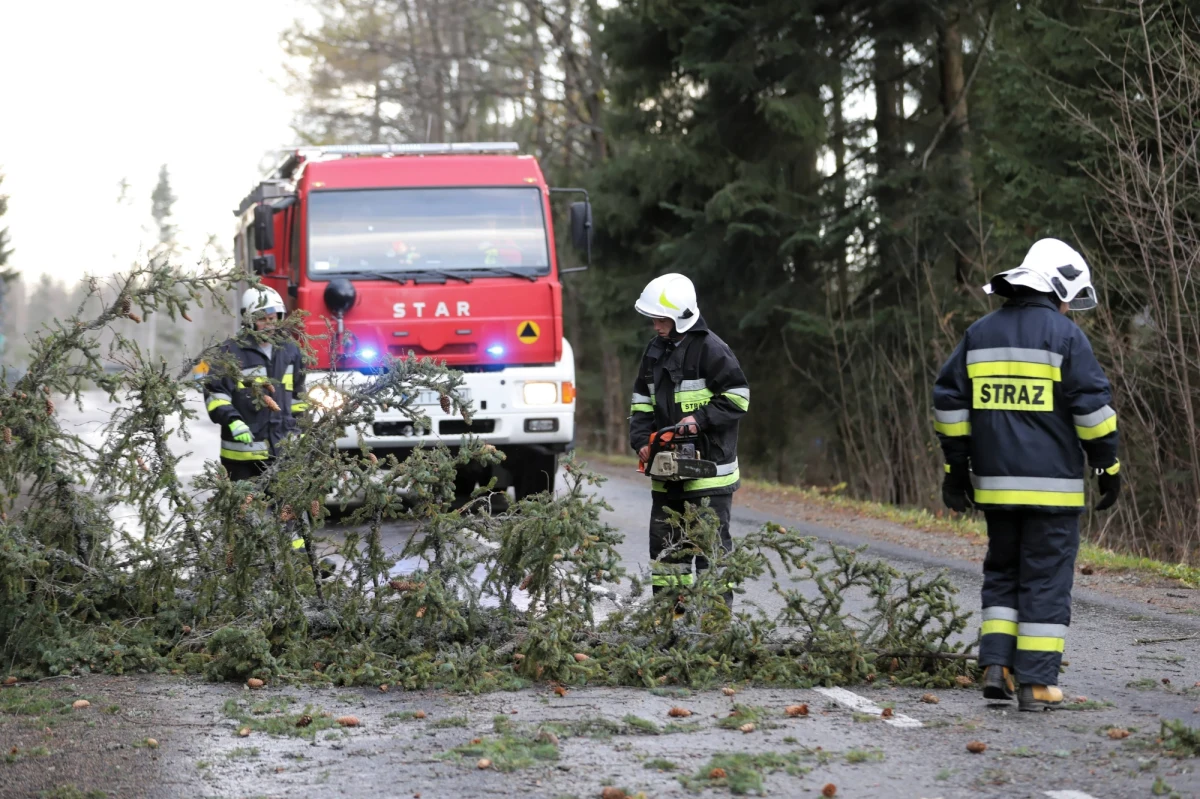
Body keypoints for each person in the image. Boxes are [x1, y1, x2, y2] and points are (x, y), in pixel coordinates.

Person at [933, 238, 1120, 712]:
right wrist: (1107, 464)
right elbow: (1093, 410)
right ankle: (1036, 682)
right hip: (1052, 492)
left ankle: (998, 665)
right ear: (1057, 287)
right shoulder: (1065, 337)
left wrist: (957, 467)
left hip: (995, 486)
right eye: (1068, 298)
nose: (1067, 308)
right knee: (1045, 579)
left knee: (1002, 572)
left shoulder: (979, 333)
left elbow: (948, 402)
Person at [628, 273, 750, 607]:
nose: (655, 326)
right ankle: (671, 625)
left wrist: (698, 421)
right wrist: (640, 439)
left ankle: (714, 630)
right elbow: (641, 401)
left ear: (681, 316)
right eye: (653, 318)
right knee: (668, 556)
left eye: (661, 319)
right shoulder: (654, 352)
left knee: (711, 553)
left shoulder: (712, 349)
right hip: (667, 475)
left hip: (709, 475)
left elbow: (738, 398)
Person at [201, 286, 309, 483]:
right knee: (244, 512)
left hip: (283, 453)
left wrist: (302, 430)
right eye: (262, 319)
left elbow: (297, 396)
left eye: (272, 318)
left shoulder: (290, 350)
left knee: (284, 511)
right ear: (249, 320)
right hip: (242, 458)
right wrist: (234, 422)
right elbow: (215, 394)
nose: (268, 324)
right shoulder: (230, 352)